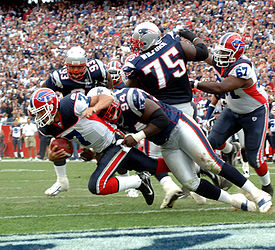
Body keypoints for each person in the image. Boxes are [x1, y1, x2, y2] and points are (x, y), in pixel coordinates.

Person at [84, 86, 272, 213]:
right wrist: (91, 153)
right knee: (190, 183)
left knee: (210, 162)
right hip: (165, 143)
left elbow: (161, 120)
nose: (105, 113)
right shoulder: (110, 120)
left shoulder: (129, 97)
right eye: (100, 113)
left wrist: (138, 137)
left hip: (179, 126)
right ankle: (234, 200)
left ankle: (257, 194)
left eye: (104, 108)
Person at [28, 87, 173, 205]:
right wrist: (52, 157)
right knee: (153, 166)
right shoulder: (47, 128)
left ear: (52, 105)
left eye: (40, 111)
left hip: (117, 143)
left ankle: (140, 181)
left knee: (97, 185)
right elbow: (61, 146)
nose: (39, 116)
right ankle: (193, 167)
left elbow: (107, 98)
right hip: (104, 150)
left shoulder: (70, 104)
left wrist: (94, 108)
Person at [123, 22, 211, 208]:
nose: (136, 45)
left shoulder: (138, 64)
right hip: (186, 107)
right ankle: (198, 183)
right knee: (189, 149)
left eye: (139, 41)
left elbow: (129, 90)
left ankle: (170, 186)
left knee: (156, 156)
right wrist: (189, 34)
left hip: (162, 111)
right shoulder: (173, 43)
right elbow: (203, 52)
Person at [191, 32, 273, 197]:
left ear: (236, 53)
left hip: (254, 112)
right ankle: (229, 151)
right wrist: (191, 38)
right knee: (211, 143)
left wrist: (195, 83)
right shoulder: (225, 62)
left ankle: (267, 187)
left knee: (254, 159)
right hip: (233, 110)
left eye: (224, 53)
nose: (219, 56)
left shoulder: (243, 68)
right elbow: (204, 53)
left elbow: (220, 88)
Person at [42, 46, 113, 95]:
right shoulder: (59, 77)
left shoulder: (96, 69)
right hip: (71, 111)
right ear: (66, 65)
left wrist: (110, 92)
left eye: (79, 67)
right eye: (72, 67)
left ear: (86, 64)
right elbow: (43, 89)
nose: (76, 70)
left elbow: (108, 77)